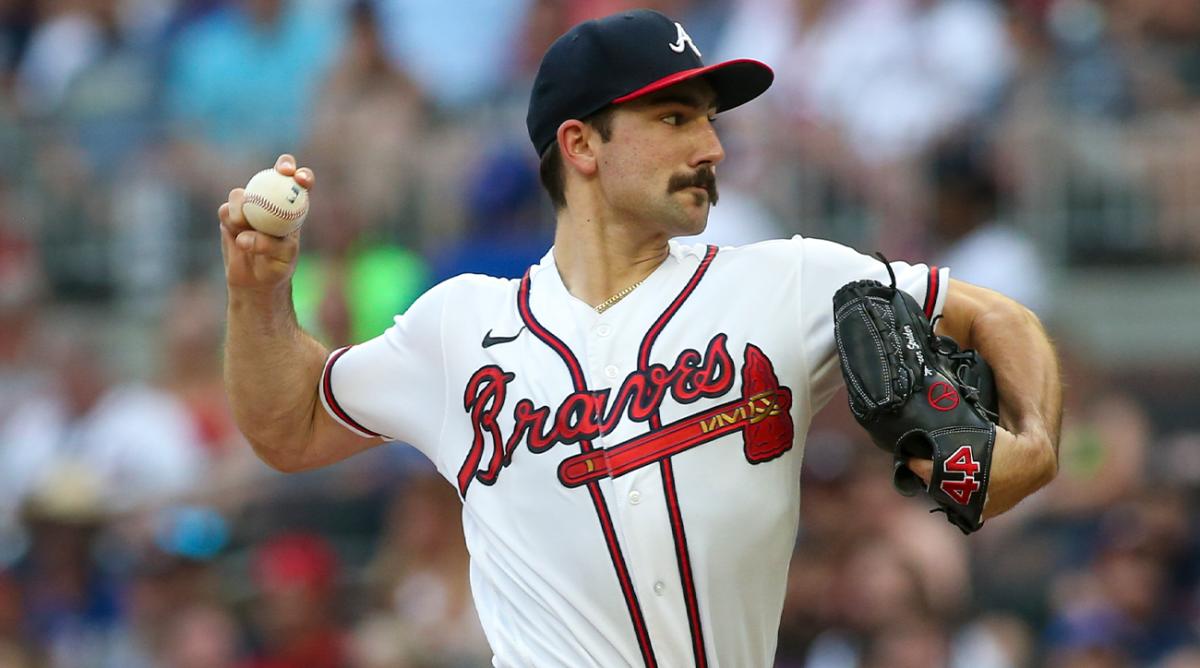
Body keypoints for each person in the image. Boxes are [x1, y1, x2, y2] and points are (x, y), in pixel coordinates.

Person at [220, 9, 1062, 666]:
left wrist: (1033, 442)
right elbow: (287, 429)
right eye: (674, 117)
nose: (713, 145)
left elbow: (998, 316)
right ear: (581, 145)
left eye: (708, 118)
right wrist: (258, 295)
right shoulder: (459, 326)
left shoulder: (787, 279)